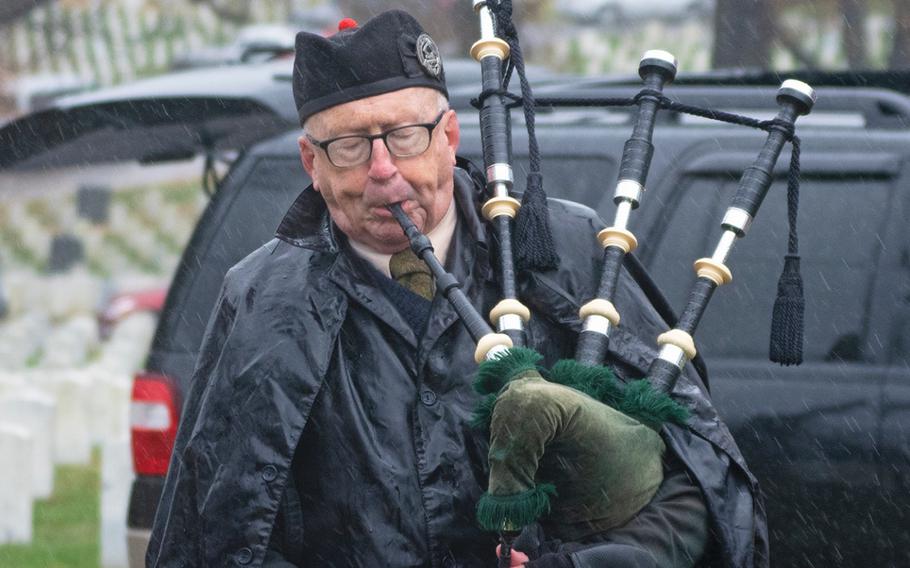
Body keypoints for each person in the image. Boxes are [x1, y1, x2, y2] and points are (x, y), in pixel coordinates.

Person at [148, 10, 768, 568]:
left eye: (404, 135)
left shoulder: (564, 253)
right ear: (312, 166)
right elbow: (220, 536)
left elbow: (696, 484)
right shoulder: (264, 300)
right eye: (349, 146)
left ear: (449, 137)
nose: (382, 169)